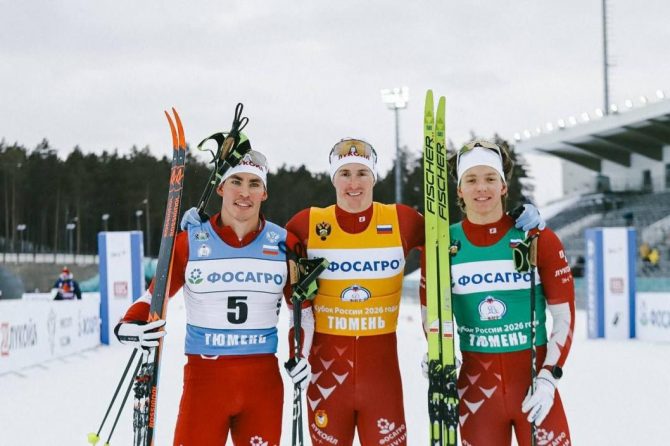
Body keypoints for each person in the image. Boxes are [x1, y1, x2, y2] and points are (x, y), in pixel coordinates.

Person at [282, 138, 546, 446]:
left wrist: (516, 222)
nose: (354, 183)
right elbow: (294, 296)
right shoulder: (306, 224)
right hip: (326, 377)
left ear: (373, 177)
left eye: (362, 173)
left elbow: (454, 241)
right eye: (345, 173)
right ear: (333, 178)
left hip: (381, 381)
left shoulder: (401, 220)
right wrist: (298, 355)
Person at [115, 149, 308, 446]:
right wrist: (129, 324)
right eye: (236, 181)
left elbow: (302, 310)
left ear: (264, 192)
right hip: (204, 381)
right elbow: (154, 296)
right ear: (221, 187)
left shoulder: (285, 244)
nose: (244, 193)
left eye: (254, 184)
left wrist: (301, 355)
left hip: (262, 386)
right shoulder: (189, 242)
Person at [445, 140, 574, 446]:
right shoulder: (444, 244)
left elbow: (564, 317)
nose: (481, 188)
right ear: (459, 190)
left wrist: (548, 377)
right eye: (471, 180)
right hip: (477, 394)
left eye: (490, 178)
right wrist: (440, 356)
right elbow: (433, 315)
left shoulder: (536, 236)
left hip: (534, 387)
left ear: (503, 186)